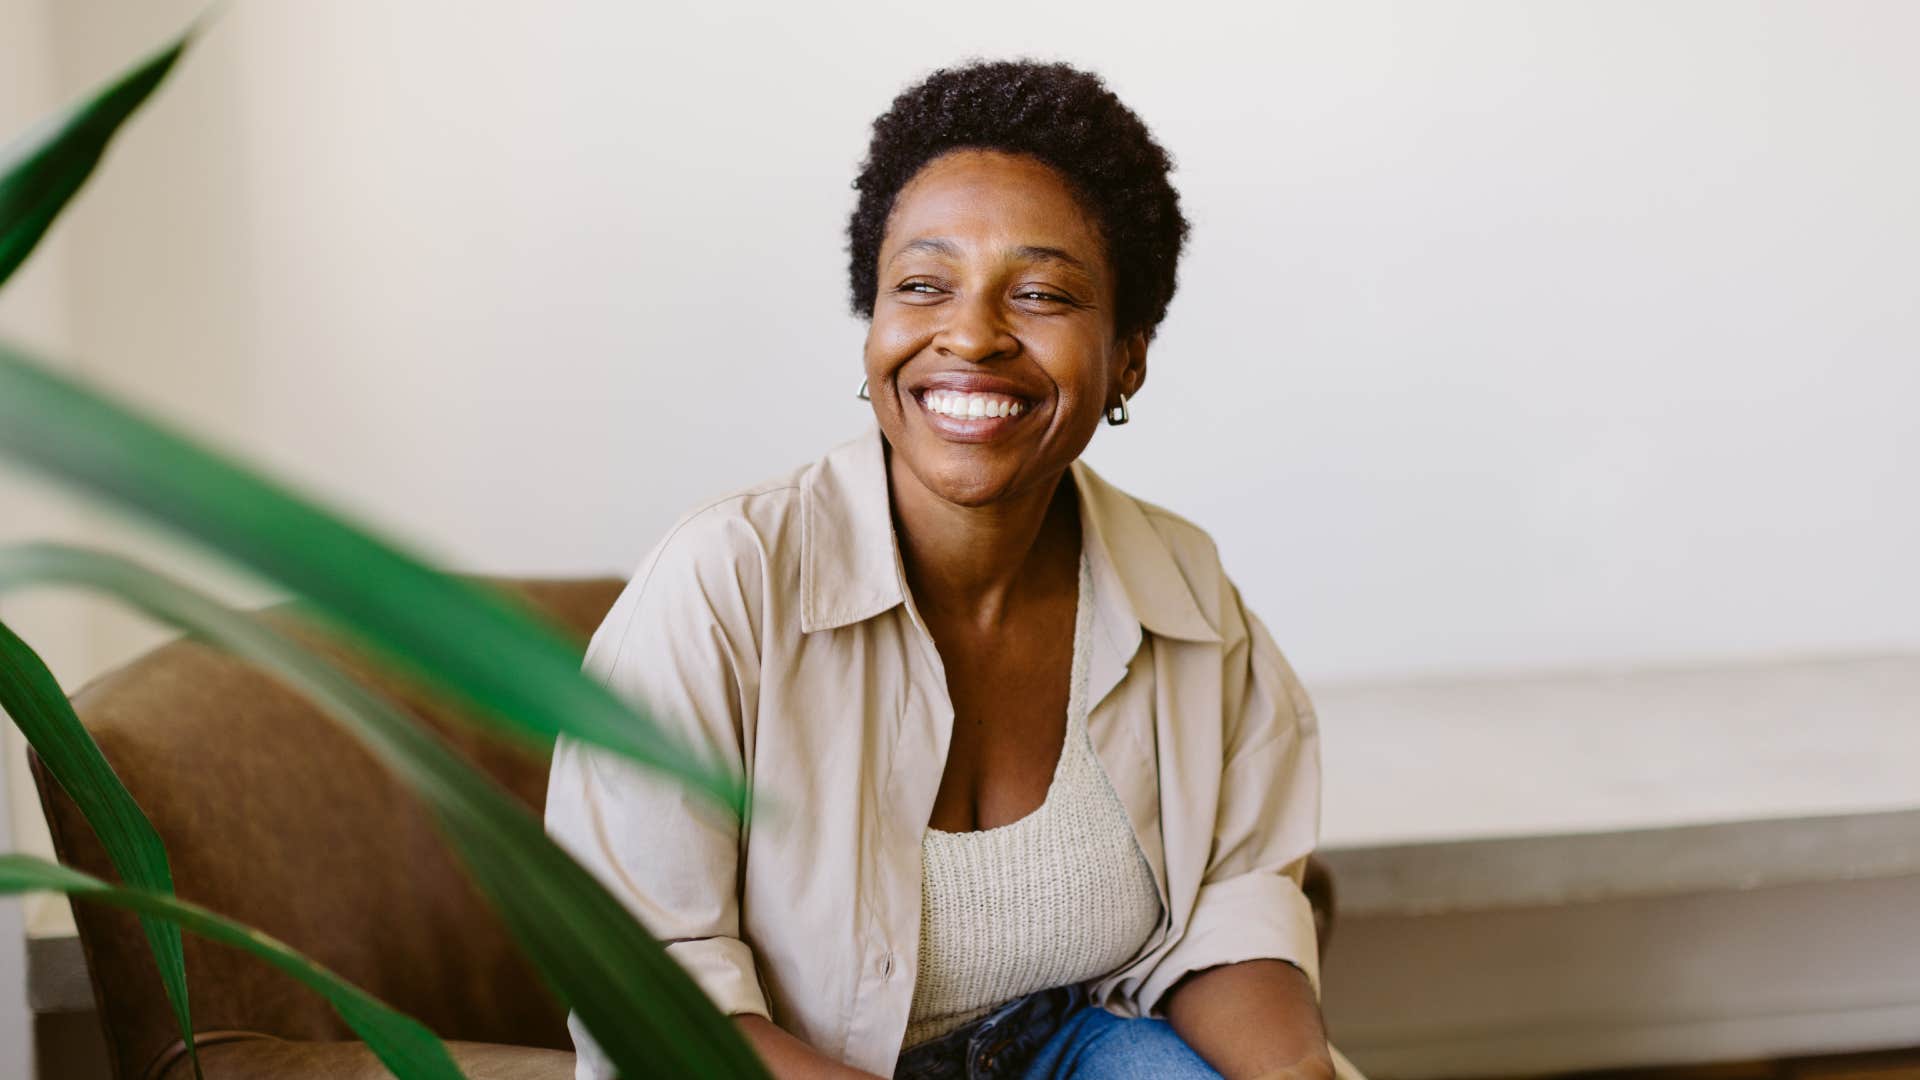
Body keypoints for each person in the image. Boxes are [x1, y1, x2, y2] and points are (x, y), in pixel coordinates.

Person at [546, 59, 1364, 1080]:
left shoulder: (1184, 589)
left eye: (1041, 293)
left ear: (1128, 359)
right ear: (875, 328)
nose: (970, 334)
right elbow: (652, 1000)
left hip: (1077, 1046)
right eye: (923, 285)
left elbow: (1232, 913)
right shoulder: (722, 586)